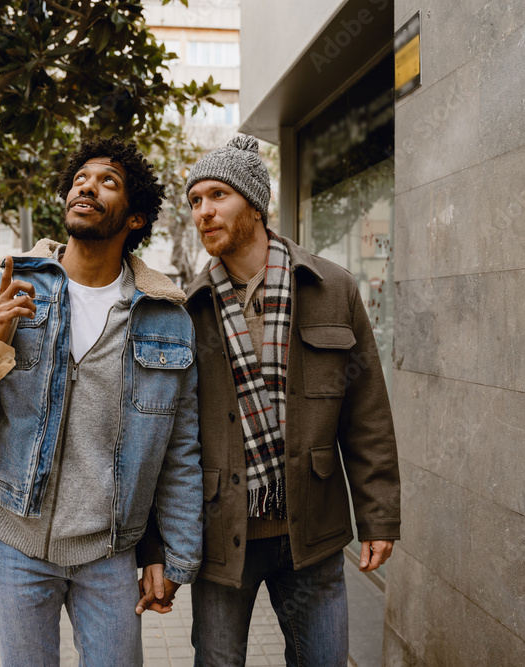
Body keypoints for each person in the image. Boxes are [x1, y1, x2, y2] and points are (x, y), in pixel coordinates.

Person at [0, 136, 202, 666]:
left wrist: (174, 556)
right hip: (16, 542)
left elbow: (180, 451)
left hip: (110, 550)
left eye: (107, 181)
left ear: (135, 217)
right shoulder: (3, 290)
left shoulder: (166, 320)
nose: (87, 187)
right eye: (79, 179)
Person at [138, 135, 401, 666]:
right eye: (195, 200)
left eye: (218, 195)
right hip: (223, 532)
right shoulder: (185, 310)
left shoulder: (332, 288)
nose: (203, 211)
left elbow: (366, 413)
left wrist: (378, 516)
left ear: (255, 206)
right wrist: (157, 547)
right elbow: (163, 439)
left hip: (314, 529)